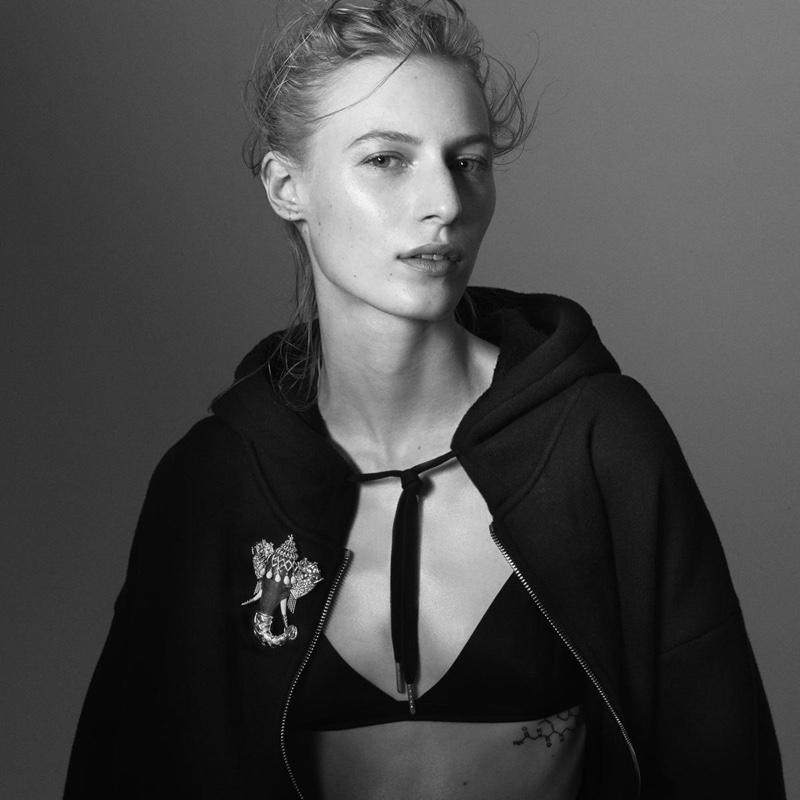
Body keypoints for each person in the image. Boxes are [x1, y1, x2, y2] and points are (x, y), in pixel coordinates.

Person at [64, 1, 785, 798]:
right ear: (286, 186)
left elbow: (724, 761)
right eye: (386, 159)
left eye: (468, 161)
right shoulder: (213, 483)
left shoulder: (599, 441)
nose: (444, 202)